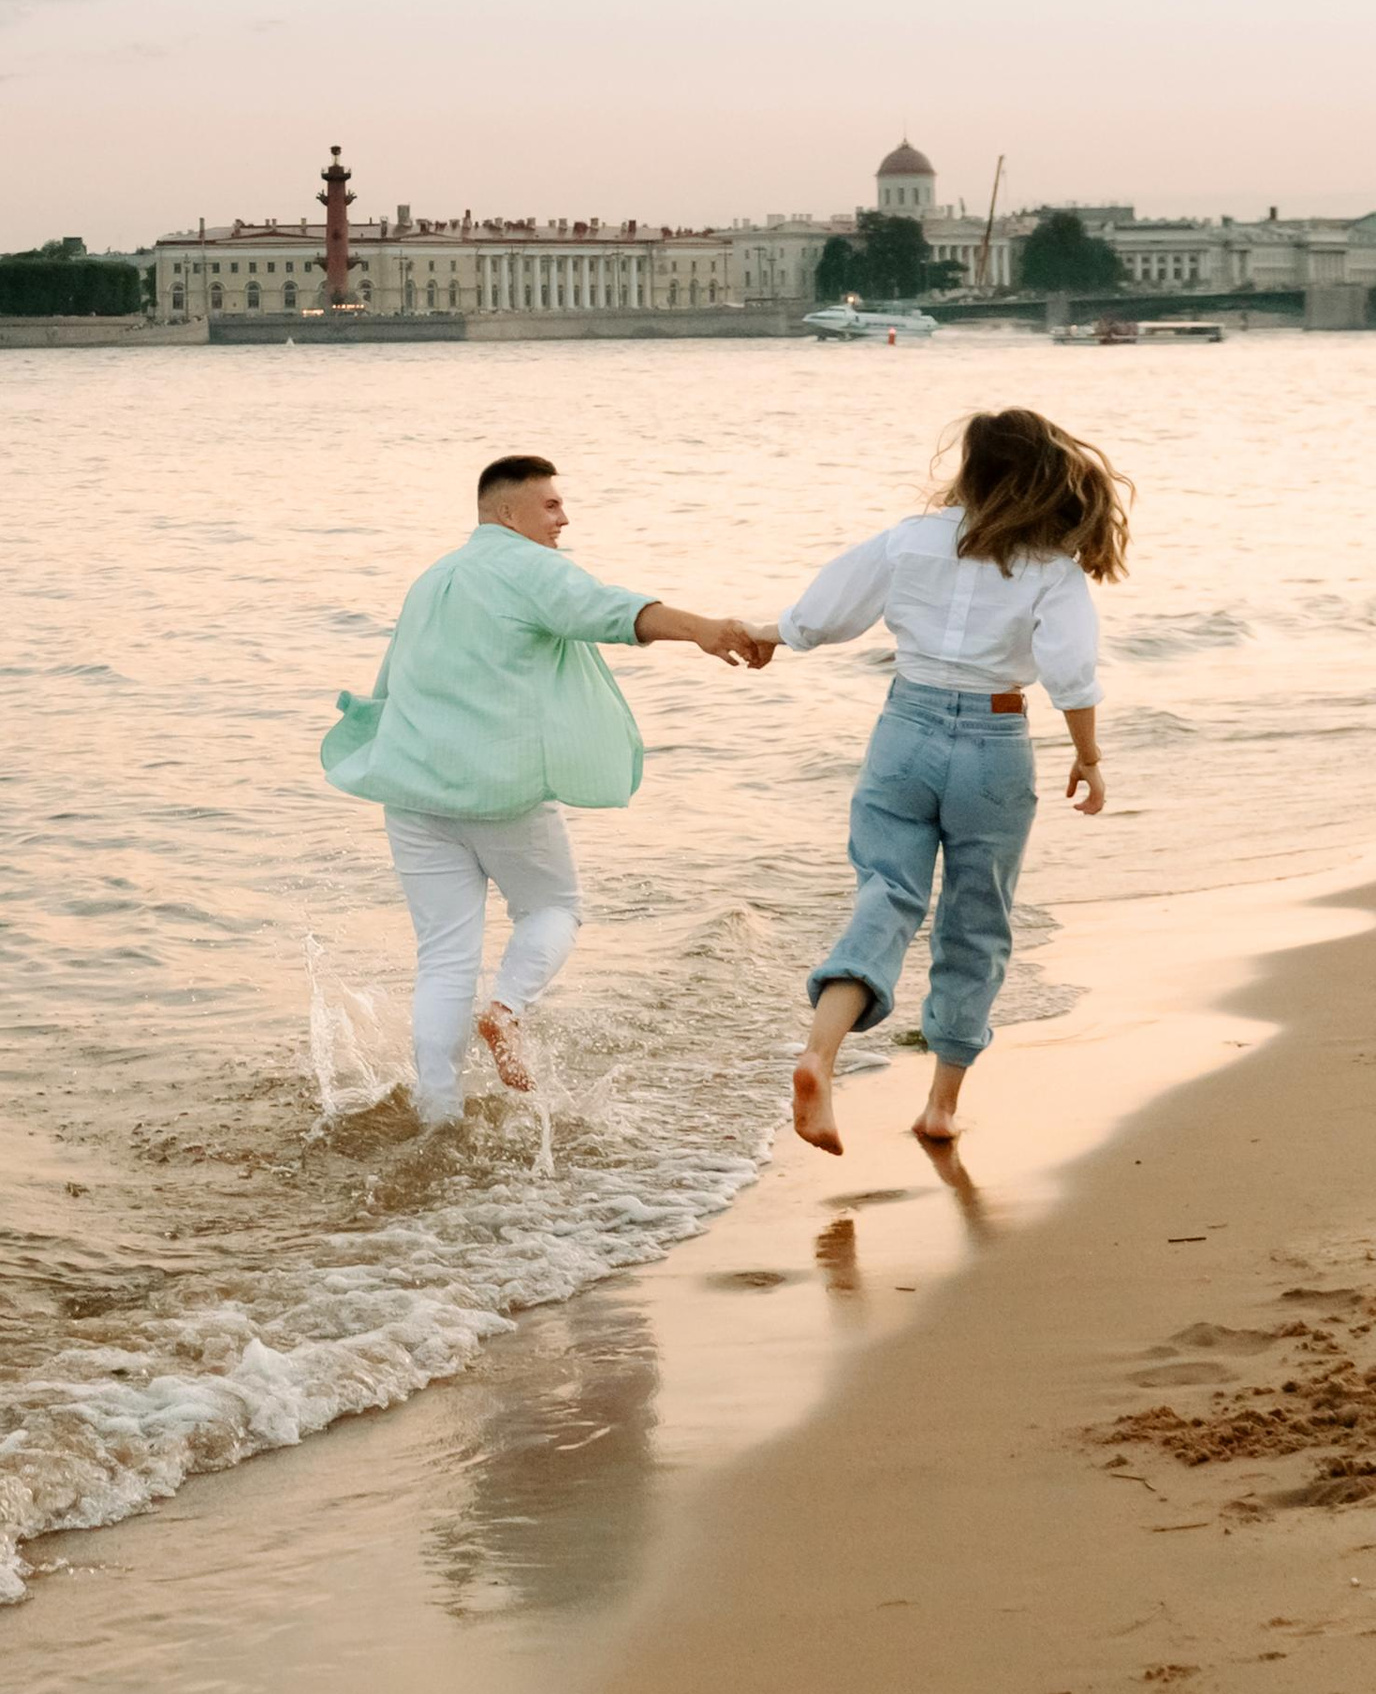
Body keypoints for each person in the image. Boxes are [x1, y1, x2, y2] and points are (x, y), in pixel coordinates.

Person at [324, 452, 772, 1127]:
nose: (564, 517)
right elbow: (612, 611)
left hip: (412, 787)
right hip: (498, 790)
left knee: (444, 958)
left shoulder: (432, 578)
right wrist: (705, 630)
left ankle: (437, 1116)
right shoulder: (527, 568)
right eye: (552, 505)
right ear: (508, 513)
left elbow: (393, 678)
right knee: (554, 907)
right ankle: (504, 1011)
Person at [780, 405, 1128, 1155]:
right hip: (995, 742)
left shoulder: (912, 539)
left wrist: (768, 635)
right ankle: (939, 1107)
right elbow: (1072, 675)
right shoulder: (1052, 569)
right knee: (978, 920)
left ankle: (821, 1052)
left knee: (888, 894)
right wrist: (1090, 759)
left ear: (970, 469)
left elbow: (821, 614)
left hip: (904, 730)